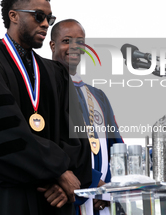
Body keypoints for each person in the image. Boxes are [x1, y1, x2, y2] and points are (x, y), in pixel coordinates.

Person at [0, 0, 92, 215]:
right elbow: (0, 138)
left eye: (49, 19)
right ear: (13, 16)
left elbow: (77, 139)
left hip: (55, 203)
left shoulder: (56, 73)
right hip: (8, 201)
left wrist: (65, 182)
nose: (45, 24)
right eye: (38, 16)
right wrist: (59, 172)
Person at [50, 19, 124, 215]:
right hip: (67, 199)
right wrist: (91, 183)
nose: (74, 47)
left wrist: (108, 190)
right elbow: (45, 146)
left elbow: (117, 147)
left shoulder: (98, 96)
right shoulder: (45, 90)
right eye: (67, 40)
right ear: (52, 45)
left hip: (103, 203)